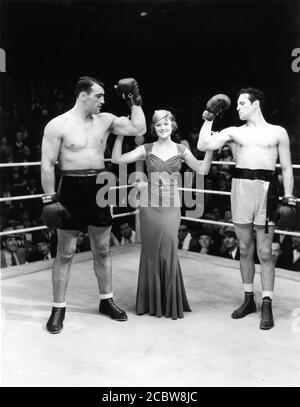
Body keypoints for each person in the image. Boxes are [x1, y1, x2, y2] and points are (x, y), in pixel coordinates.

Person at [41, 76, 146, 333]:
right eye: (98, 96)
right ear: (83, 95)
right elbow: (47, 163)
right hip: (71, 187)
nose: (103, 100)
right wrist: (49, 198)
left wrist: (135, 101)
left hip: (99, 185)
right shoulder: (58, 125)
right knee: (65, 252)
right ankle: (58, 307)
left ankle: (106, 300)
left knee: (102, 248)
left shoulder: (107, 120)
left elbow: (138, 129)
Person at [197, 88, 296, 329]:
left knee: (265, 253)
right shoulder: (233, 131)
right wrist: (208, 119)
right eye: (238, 104)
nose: (238, 107)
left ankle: (267, 303)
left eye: (242, 103)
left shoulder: (277, 132)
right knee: (244, 248)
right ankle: (248, 299)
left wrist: (289, 197)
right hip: (240, 189)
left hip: (267, 191)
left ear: (256, 105)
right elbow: (203, 145)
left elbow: (286, 168)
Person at [112, 109, 213, 319]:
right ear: (154, 128)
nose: (163, 127)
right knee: (150, 252)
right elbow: (116, 160)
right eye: (158, 124)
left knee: (168, 249)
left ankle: (168, 302)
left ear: (173, 125)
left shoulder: (181, 149)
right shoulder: (146, 149)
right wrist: (120, 135)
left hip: (171, 207)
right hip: (149, 207)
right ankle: (151, 302)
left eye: (166, 123)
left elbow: (202, 170)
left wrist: (210, 148)